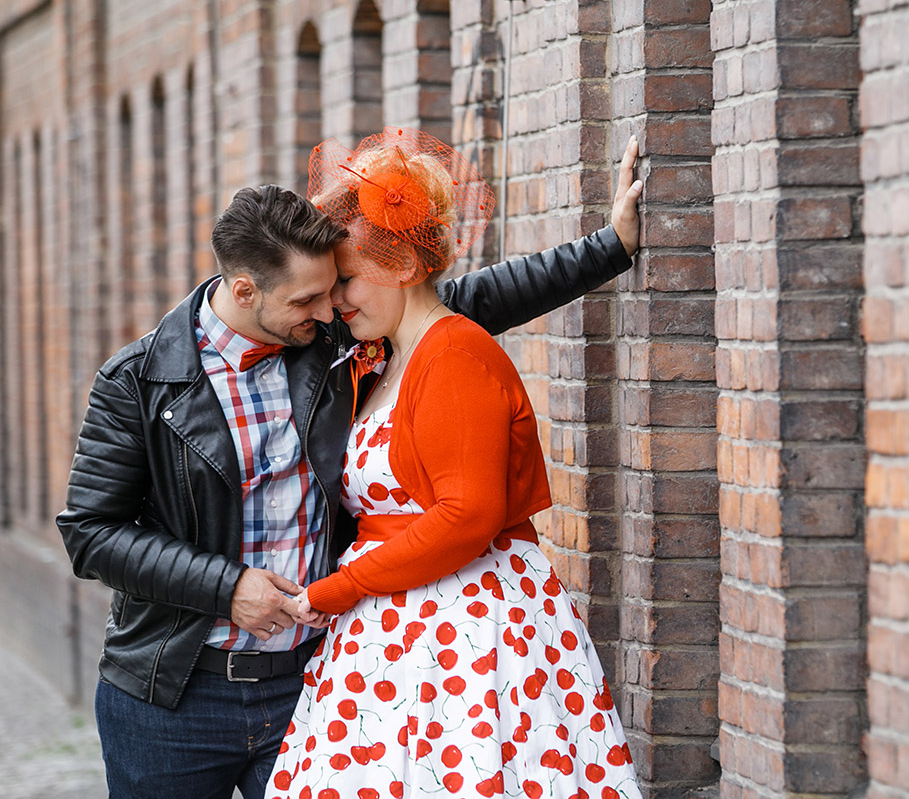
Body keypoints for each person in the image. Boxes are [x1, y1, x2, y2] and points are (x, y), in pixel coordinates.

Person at [56, 134, 643, 799]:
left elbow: (462, 305)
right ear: (245, 289)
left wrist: (611, 248)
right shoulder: (138, 380)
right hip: (173, 698)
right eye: (307, 301)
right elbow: (92, 533)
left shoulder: (334, 338)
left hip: (309, 677)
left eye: (334, 291)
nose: (327, 310)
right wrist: (227, 588)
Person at [266, 127, 641, 799]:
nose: (335, 303)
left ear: (405, 266)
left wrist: (334, 591)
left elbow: (468, 517)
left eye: (347, 280)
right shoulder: (378, 360)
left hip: (465, 636)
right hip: (399, 630)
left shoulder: (454, 354)